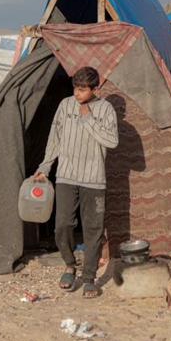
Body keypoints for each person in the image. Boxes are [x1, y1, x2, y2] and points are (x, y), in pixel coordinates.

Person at [33, 66, 119, 299]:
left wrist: (88, 117)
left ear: (95, 88)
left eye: (82, 90)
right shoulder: (65, 105)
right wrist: (45, 166)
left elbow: (111, 141)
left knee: (93, 230)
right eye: (75, 88)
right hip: (66, 177)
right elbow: (55, 138)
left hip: (94, 180)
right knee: (62, 224)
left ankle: (89, 277)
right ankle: (70, 265)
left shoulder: (105, 109)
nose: (77, 94)